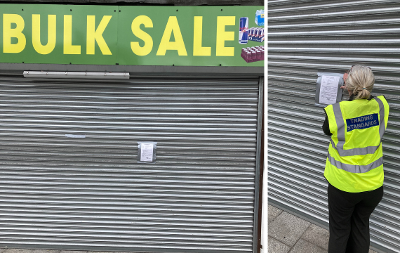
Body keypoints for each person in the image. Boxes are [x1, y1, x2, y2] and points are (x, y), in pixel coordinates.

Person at [322, 65, 390, 253]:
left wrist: (345, 90)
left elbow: (327, 130)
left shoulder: (337, 112)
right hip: (373, 187)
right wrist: (353, 85)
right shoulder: (382, 106)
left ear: (348, 87)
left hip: (344, 187)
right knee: (361, 228)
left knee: (339, 231)